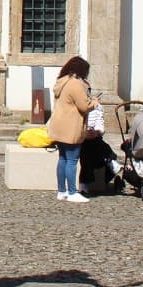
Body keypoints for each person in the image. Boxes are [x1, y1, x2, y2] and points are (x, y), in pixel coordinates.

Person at [50, 56, 101, 203]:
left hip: (59, 125)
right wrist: (95, 102)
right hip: (71, 126)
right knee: (72, 160)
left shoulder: (62, 81)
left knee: (63, 158)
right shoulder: (75, 84)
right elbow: (84, 106)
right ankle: (72, 192)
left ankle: (61, 190)